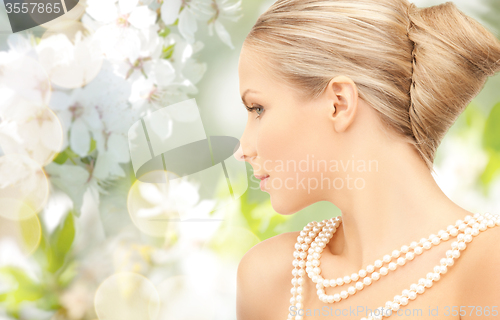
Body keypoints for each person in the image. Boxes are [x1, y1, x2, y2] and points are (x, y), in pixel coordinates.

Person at [234, 0, 500, 319]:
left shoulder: (487, 264)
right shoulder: (271, 278)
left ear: (339, 104)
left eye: (258, 109)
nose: (243, 149)